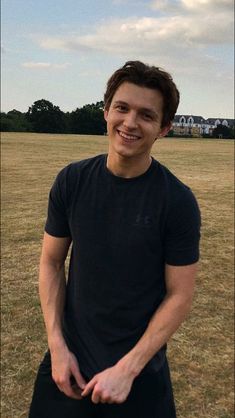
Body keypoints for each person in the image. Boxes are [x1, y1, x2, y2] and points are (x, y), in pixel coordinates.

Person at [28, 60, 201, 418]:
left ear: (164, 128)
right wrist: (57, 347)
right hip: (68, 368)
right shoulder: (71, 181)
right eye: (122, 108)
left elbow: (180, 294)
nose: (130, 123)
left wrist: (128, 369)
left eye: (146, 115)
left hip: (139, 377)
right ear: (105, 111)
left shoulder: (177, 200)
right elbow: (50, 261)